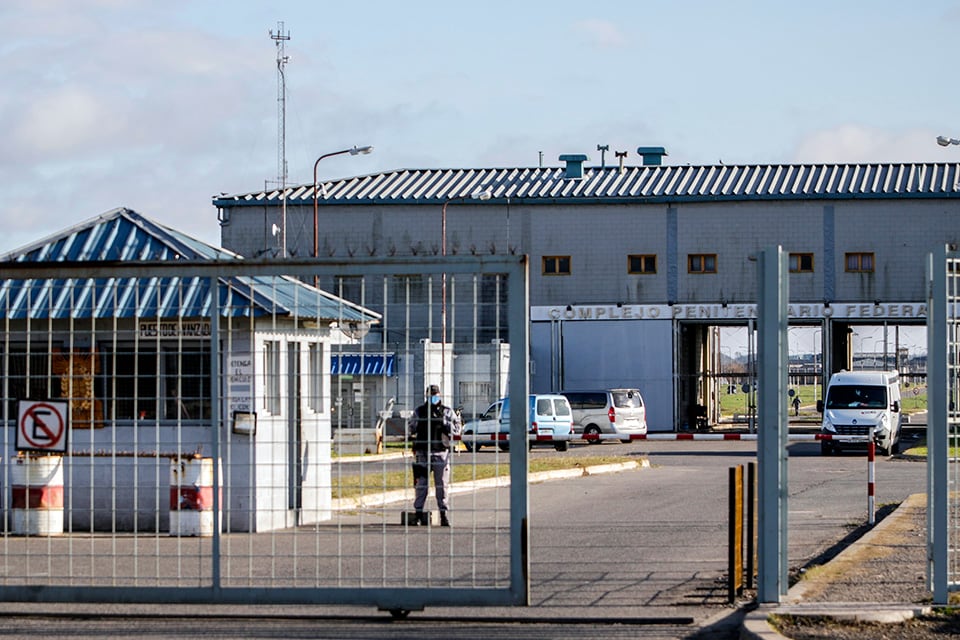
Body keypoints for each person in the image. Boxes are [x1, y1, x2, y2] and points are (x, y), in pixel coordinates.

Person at [408, 384, 461, 527]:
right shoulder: (419, 411)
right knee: (421, 486)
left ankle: (443, 515)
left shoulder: (447, 412)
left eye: (435, 395)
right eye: (431, 395)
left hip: (440, 452)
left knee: (442, 485)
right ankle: (418, 514)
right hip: (422, 453)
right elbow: (411, 428)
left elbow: (457, 430)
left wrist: (444, 423)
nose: (433, 397)